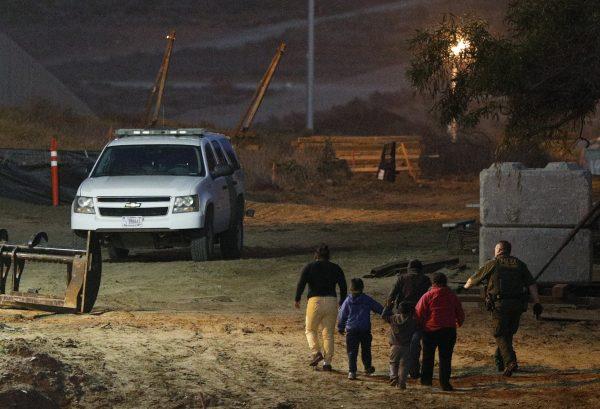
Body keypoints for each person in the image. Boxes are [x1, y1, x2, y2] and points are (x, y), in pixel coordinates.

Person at [464, 240, 543, 376]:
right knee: (507, 334)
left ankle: (510, 362)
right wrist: (537, 302)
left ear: (499, 250)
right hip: (518, 305)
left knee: (499, 333)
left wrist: (465, 287)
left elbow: (471, 281)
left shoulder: (493, 263)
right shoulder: (520, 264)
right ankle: (500, 362)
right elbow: (531, 284)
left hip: (500, 306)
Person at [295, 244, 347, 371]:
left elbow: (301, 283)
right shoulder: (336, 268)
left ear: (316, 255)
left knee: (310, 329)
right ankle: (327, 363)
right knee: (328, 333)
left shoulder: (310, 267)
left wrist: (297, 298)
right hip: (331, 300)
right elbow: (343, 286)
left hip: (315, 301)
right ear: (328, 255)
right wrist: (342, 301)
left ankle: (316, 352)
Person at [415, 272, 464, 391]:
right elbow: (460, 312)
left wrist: (420, 326)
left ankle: (426, 381)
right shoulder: (452, 295)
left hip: (430, 331)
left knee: (428, 357)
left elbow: (419, 313)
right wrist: (458, 323)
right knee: (446, 358)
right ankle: (445, 383)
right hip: (448, 330)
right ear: (445, 282)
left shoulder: (427, 295)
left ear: (433, 283)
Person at [386, 259, 431, 378]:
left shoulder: (401, 278)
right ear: (421, 269)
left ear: (408, 269)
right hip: (418, 315)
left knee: (400, 341)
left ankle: (395, 370)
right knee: (415, 342)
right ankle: (414, 371)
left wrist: (388, 310)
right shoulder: (426, 279)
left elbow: (391, 296)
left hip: (402, 313)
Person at [337, 278, 383, 380]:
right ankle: (367, 367)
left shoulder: (348, 301)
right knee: (366, 350)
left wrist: (340, 327)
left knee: (352, 351)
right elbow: (379, 308)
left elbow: (342, 315)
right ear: (362, 288)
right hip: (365, 329)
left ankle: (352, 371)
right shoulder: (366, 299)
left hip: (351, 330)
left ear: (351, 288)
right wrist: (388, 315)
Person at [381, 301, 418, 390]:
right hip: (407, 347)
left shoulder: (393, 318)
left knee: (393, 363)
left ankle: (393, 377)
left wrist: (389, 306)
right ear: (410, 311)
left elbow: (383, 316)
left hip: (394, 346)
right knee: (404, 366)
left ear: (399, 310)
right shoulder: (412, 321)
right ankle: (402, 383)